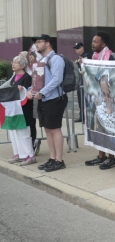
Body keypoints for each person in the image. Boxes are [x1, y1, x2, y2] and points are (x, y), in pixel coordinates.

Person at [27, 34, 68, 172]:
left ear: (48, 43)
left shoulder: (56, 59)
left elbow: (57, 79)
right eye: (35, 43)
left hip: (54, 99)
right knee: (47, 129)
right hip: (43, 99)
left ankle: (59, 160)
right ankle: (52, 158)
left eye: (39, 42)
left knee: (55, 129)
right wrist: (30, 91)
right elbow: (36, 80)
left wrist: (42, 92)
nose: (36, 45)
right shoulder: (42, 60)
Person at [85, 31, 115, 170]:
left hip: (109, 99)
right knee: (99, 128)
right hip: (97, 99)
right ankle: (101, 156)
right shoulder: (93, 58)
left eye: (95, 41)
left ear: (103, 44)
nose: (92, 43)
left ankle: (112, 158)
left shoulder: (112, 57)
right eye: (92, 41)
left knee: (109, 128)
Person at [6, 56, 36, 166]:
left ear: (23, 65)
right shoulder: (13, 77)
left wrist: (22, 89)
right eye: (12, 62)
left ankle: (30, 155)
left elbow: (28, 91)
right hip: (14, 109)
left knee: (24, 133)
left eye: (16, 62)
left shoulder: (27, 77)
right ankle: (18, 153)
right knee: (14, 132)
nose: (13, 64)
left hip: (24, 109)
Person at [73, 42, 90, 122]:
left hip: (85, 81)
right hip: (80, 81)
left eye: (78, 48)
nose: (76, 50)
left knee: (84, 99)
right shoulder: (79, 58)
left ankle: (85, 117)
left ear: (82, 48)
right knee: (80, 99)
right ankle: (81, 115)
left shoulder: (86, 56)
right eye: (75, 48)